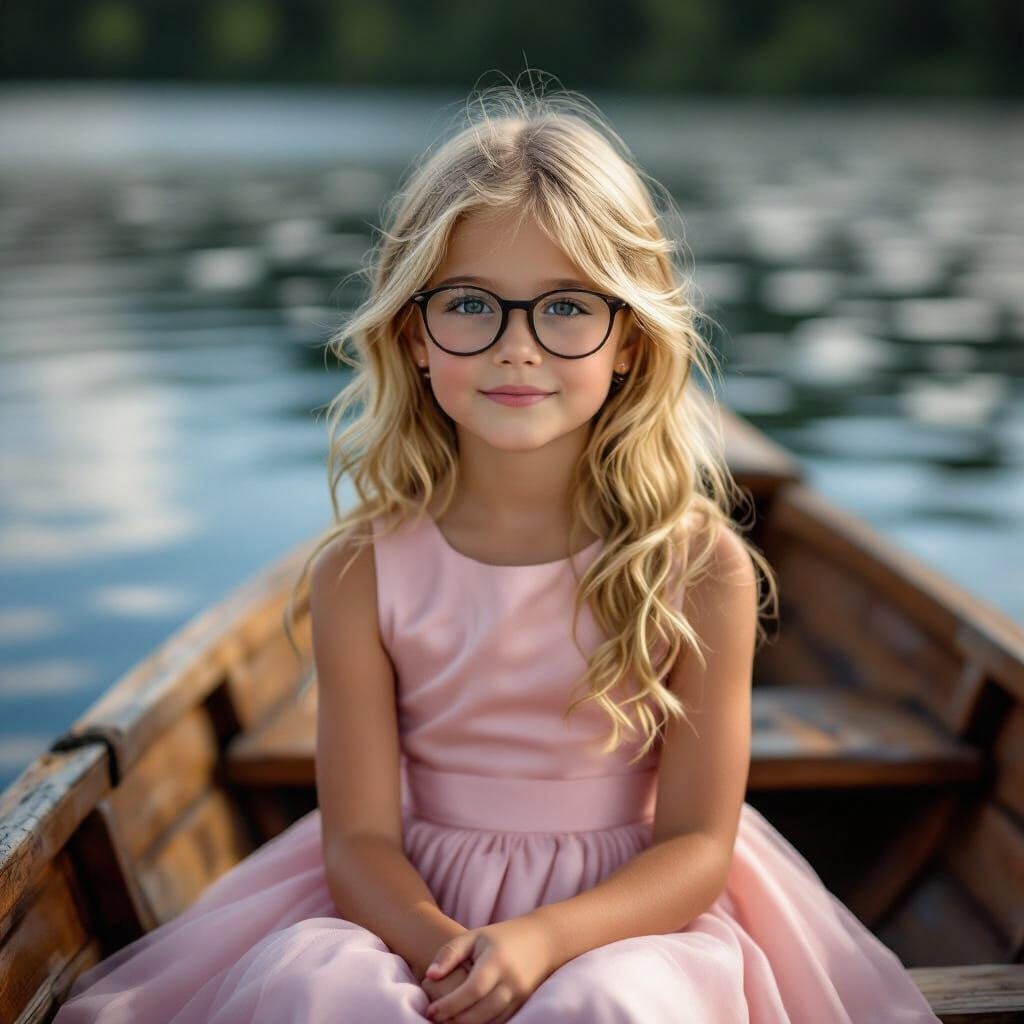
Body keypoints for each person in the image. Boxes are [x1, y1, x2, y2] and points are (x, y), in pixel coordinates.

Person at [54, 74, 941, 1023]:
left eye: (566, 307)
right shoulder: (362, 571)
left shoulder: (696, 568)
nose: (518, 347)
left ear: (630, 340)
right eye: (472, 305)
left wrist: (539, 944)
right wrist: (449, 954)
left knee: (611, 1004)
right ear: (414, 333)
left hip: (628, 918)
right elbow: (355, 840)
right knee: (326, 987)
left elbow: (694, 847)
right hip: (406, 905)